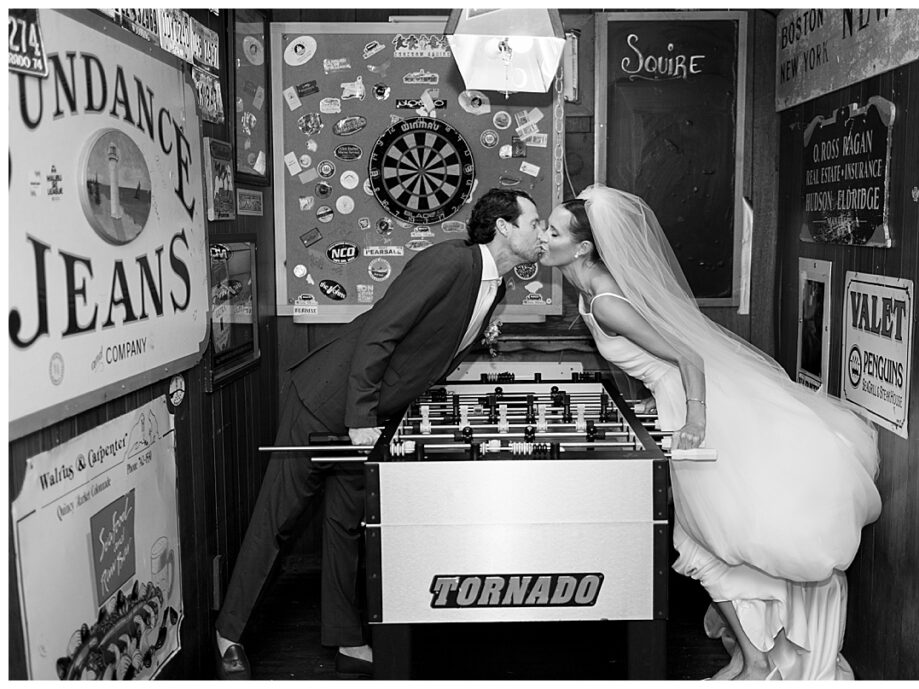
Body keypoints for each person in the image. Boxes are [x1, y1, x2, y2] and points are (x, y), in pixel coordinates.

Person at [538, 185, 881, 680]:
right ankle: (756, 652)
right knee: (701, 542)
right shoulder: (591, 289)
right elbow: (648, 362)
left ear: (583, 247)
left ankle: (759, 658)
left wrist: (696, 418)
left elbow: (686, 356)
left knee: (706, 541)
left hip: (696, 404)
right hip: (675, 400)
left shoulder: (607, 300)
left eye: (553, 231)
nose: (544, 239)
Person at [214, 188, 546, 680]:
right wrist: (362, 417)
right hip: (328, 403)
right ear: (504, 226)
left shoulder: (496, 284)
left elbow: (433, 347)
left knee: (348, 525)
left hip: (369, 414)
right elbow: (380, 333)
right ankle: (227, 634)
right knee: (279, 517)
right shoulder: (448, 261)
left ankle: (346, 637)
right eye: (534, 222)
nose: (540, 233)